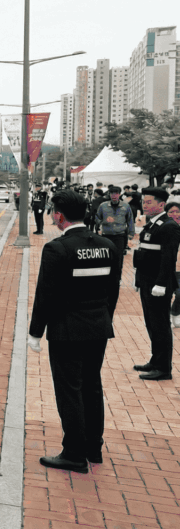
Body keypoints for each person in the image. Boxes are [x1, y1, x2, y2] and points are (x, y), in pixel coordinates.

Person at [28, 189, 121, 473]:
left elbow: (46, 295)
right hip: (98, 327)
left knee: (70, 391)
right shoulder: (107, 245)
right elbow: (113, 290)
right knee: (92, 387)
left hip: (67, 330)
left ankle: (74, 453)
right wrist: (104, 318)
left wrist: (36, 332)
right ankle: (94, 448)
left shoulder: (58, 248)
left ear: (58, 215)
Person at [132, 187, 180, 380]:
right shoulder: (151, 224)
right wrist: (138, 280)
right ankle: (156, 360)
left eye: (149, 202)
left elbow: (168, 258)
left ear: (161, 204)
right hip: (147, 282)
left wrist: (161, 284)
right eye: (144, 201)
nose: (145, 205)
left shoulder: (168, 226)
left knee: (160, 325)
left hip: (157, 285)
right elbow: (143, 254)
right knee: (151, 323)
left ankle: (163, 368)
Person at [95, 185, 134, 268]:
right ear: (109, 194)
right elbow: (97, 218)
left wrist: (131, 233)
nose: (114, 195)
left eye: (116, 193)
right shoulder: (103, 206)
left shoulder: (126, 206)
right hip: (106, 236)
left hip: (120, 236)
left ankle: (117, 279)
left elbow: (130, 220)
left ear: (119, 194)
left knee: (118, 259)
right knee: (106, 258)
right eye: (112, 193)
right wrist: (104, 221)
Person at [165, 201, 180, 328]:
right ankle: (168, 316)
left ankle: (175, 312)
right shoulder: (164, 227)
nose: (174, 214)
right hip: (169, 268)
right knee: (167, 295)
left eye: (177, 211)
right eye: (171, 212)